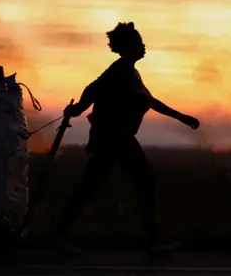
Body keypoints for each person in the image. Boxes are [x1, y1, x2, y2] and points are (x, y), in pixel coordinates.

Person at [55, 22, 200, 257]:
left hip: (116, 138)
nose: (144, 47)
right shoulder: (120, 70)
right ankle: (152, 241)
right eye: (140, 43)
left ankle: (62, 234)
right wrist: (79, 108)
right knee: (137, 183)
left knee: (95, 185)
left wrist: (181, 117)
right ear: (129, 47)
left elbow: (149, 101)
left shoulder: (129, 71)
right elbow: (93, 88)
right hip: (114, 138)